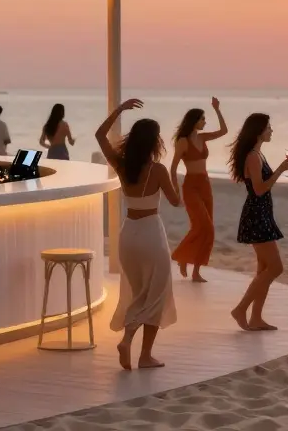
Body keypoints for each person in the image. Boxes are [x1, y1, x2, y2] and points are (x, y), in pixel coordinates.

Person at [96, 98, 181, 370]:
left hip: (128, 234)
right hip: (151, 235)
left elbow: (99, 135)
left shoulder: (122, 165)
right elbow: (176, 201)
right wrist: (175, 172)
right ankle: (142, 353)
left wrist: (118, 111)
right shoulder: (158, 170)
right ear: (155, 143)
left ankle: (130, 343)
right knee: (156, 293)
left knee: (138, 293)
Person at [230, 113, 288, 332]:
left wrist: (278, 169)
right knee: (275, 268)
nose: (271, 131)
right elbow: (259, 189)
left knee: (264, 269)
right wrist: (280, 170)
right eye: (268, 127)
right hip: (257, 214)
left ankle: (256, 317)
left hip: (262, 212)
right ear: (259, 131)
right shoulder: (253, 157)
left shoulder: (258, 154)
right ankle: (241, 309)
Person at [169, 97, 228, 282]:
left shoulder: (202, 137)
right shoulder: (183, 141)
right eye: (202, 119)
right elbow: (172, 168)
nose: (205, 122)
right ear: (194, 121)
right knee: (204, 226)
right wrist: (176, 192)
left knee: (207, 230)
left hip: (205, 184)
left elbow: (224, 131)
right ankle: (181, 256)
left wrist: (217, 109)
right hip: (191, 186)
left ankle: (196, 271)